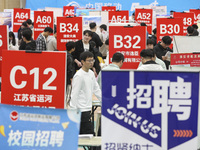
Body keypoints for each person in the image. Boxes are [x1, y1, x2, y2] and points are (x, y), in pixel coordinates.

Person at [70, 51, 101, 134]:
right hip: (80, 110)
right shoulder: (79, 75)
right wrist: (73, 111)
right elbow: (74, 94)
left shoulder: (91, 73)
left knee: (87, 134)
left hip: (88, 108)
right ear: (82, 62)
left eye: (92, 60)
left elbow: (96, 89)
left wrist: (104, 100)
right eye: (89, 61)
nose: (91, 63)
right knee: (88, 134)